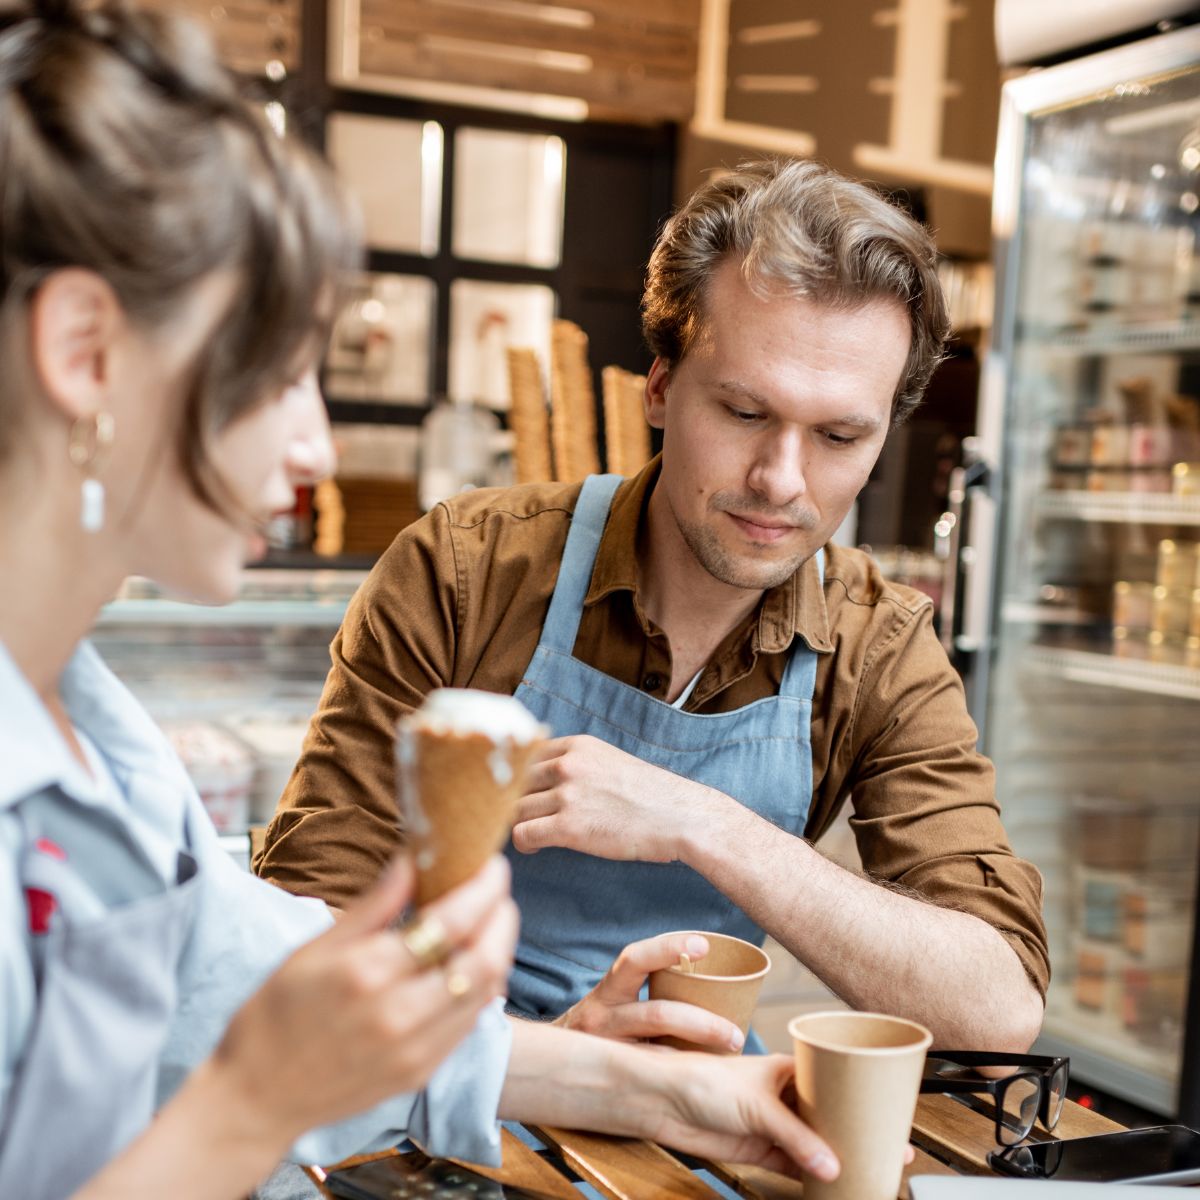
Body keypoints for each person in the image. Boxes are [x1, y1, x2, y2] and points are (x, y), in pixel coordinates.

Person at [0, 5, 851, 1197]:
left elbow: (226, 974)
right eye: (277, 370)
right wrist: (257, 1102)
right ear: (87, 350)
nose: (316, 445)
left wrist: (667, 1091)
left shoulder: (104, 753)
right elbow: (247, 1045)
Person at [256, 159, 1050, 1055]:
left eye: (838, 436)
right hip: (420, 1094)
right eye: (745, 411)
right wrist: (559, 1054)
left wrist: (706, 827)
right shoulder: (468, 570)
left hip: (688, 1113)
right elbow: (301, 939)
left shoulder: (878, 646)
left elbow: (998, 1008)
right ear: (662, 386)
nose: (781, 481)